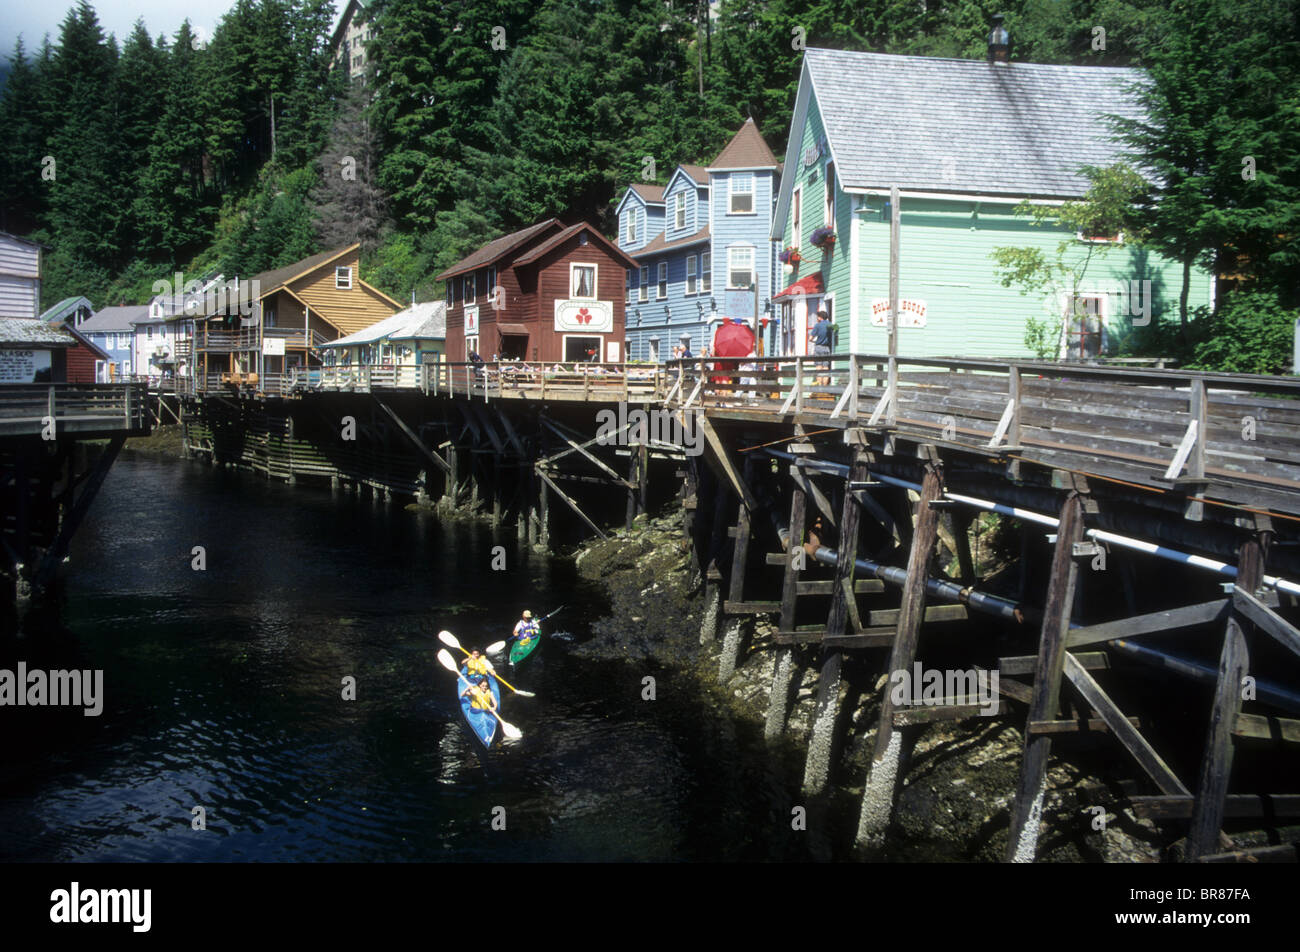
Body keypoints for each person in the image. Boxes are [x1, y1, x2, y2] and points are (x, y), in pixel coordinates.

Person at [809, 310, 833, 389]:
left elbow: (810, 338)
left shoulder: (817, 325)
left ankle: (819, 387)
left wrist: (815, 341)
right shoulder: (831, 325)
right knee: (825, 367)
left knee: (819, 367)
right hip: (827, 348)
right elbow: (836, 331)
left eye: (818, 317)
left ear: (820, 317)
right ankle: (825, 388)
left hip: (819, 347)